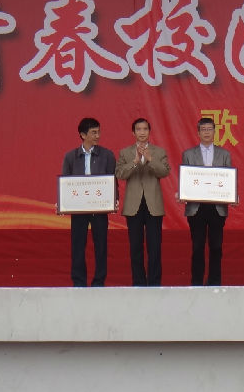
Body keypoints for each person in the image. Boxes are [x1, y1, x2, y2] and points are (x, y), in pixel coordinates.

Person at [60, 117, 117, 287]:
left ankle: (99, 281)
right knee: (78, 246)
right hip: (79, 209)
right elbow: (65, 182)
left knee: (101, 246)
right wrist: (62, 202)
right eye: (93, 132)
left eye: (98, 132)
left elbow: (112, 180)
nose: (97, 136)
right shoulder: (70, 157)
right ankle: (79, 282)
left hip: (99, 208)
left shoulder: (107, 155)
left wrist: (114, 199)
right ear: (83, 135)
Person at [115, 118, 170, 286]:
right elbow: (120, 174)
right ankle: (138, 282)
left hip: (153, 204)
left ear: (149, 131)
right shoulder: (125, 152)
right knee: (136, 247)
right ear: (133, 132)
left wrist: (150, 159)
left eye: (145, 129)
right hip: (134, 205)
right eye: (138, 129)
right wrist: (135, 161)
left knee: (154, 247)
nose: (142, 132)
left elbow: (164, 172)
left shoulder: (159, 152)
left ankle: (154, 283)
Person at [181, 117, 232, 286]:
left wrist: (232, 195)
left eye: (210, 129)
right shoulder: (188, 154)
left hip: (217, 207)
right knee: (197, 246)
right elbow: (186, 180)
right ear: (198, 133)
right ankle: (196, 282)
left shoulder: (224, 154)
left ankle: (214, 282)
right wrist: (182, 192)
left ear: (215, 131)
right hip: (196, 207)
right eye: (203, 129)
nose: (207, 132)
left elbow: (228, 180)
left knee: (216, 246)